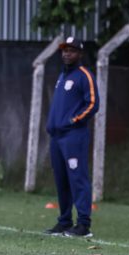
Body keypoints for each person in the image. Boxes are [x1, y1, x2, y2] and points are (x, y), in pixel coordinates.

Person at [44, 37, 99, 238]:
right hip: (56, 138)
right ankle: (64, 221)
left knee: (78, 179)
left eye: (72, 50)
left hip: (74, 136)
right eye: (64, 50)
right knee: (62, 180)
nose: (67, 53)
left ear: (80, 54)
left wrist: (73, 121)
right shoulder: (63, 76)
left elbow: (93, 103)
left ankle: (83, 224)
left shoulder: (84, 75)